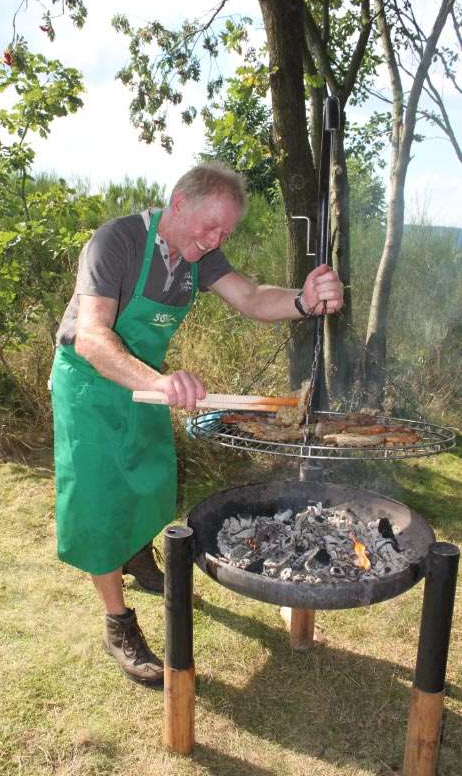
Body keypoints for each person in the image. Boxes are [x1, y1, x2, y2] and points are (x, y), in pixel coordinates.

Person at [51, 163, 343, 688]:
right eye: (210, 227)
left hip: (148, 383)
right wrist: (160, 382)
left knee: (150, 480)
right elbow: (92, 337)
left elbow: (251, 297)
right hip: (89, 385)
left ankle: (136, 552)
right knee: (100, 503)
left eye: (224, 233)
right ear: (178, 203)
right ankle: (118, 624)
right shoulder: (116, 242)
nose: (214, 242)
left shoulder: (197, 254)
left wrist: (303, 301)